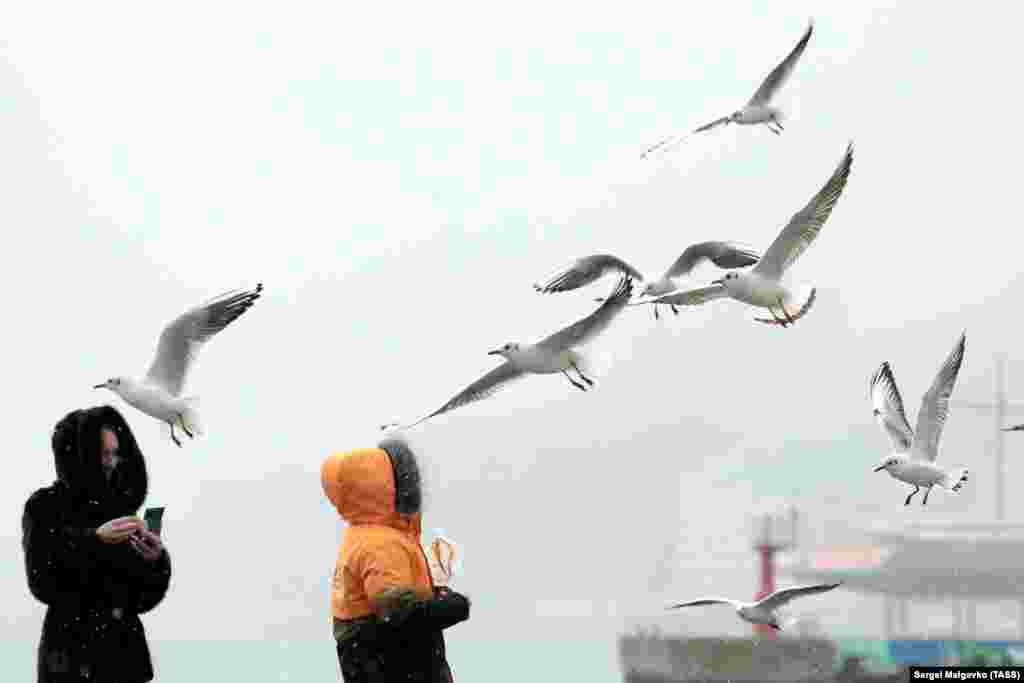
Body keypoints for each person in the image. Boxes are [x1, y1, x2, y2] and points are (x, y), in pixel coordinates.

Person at [22, 405, 172, 683]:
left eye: (115, 453)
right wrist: (95, 540)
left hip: (125, 663)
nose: (111, 462)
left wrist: (155, 561)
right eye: (103, 453)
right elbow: (41, 580)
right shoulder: (44, 507)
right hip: (70, 662)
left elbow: (141, 599)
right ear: (78, 455)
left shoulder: (121, 509)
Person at [321, 436, 470, 682]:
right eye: (406, 478)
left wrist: (431, 593)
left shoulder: (366, 535)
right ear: (381, 488)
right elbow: (399, 613)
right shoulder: (380, 545)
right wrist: (454, 605)